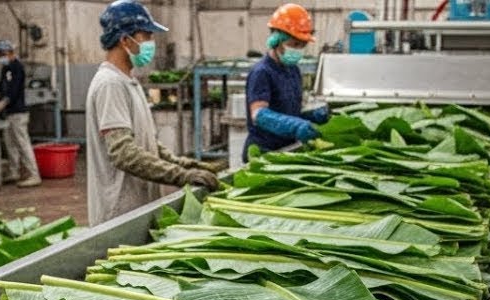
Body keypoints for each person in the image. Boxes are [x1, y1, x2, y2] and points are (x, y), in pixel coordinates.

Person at [85, 0, 220, 225]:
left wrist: (184, 164)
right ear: (124, 39)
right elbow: (124, 152)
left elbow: (146, 143)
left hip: (138, 207)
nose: (151, 42)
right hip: (119, 214)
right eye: (146, 36)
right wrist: (180, 176)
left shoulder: (129, 82)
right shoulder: (110, 85)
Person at [243, 3, 329, 160]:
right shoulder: (261, 72)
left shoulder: (293, 70)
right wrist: (296, 126)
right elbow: (259, 114)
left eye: (302, 45)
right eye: (294, 44)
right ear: (276, 41)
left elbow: (290, 112)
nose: (298, 49)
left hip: (287, 149)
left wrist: (313, 117)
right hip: (264, 152)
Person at [0, 40, 42, 188]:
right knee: (10, 144)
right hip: (9, 113)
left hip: (18, 113)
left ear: (10, 53)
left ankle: (34, 174)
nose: (0, 57)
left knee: (23, 144)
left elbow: (14, 91)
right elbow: (3, 86)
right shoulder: (6, 68)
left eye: (2, 54)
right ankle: (14, 171)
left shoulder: (17, 67)